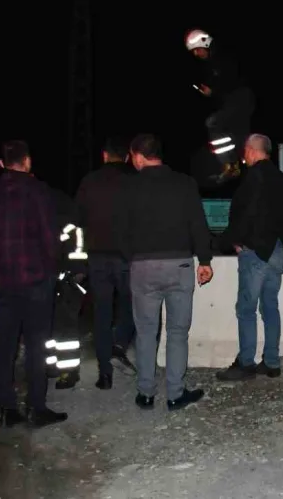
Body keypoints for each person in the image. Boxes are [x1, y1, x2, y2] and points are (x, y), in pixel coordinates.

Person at [0, 140, 68, 427]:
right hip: (36, 281)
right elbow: (51, 239)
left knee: (5, 344)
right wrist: (53, 268)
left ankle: (8, 410)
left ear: (2, 163)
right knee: (37, 345)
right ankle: (37, 407)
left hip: (1, 282)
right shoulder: (39, 192)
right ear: (27, 161)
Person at [114, 133, 214, 410]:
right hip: (179, 265)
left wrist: (132, 257)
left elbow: (119, 231)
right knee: (178, 332)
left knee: (145, 332)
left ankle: (145, 393)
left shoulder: (128, 187)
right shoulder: (184, 183)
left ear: (137, 155)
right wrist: (204, 260)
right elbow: (198, 225)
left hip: (143, 267)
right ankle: (175, 394)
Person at [215, 133, 283, 381]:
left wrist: (235, 242)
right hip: (278, 251)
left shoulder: (253, 178)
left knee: (246, 309)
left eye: (245, 152)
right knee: (270, 307)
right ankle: (271, 362)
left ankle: (246, 363)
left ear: (251, 151)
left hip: (256, 252)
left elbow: (245, 214)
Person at [75, 136, 138, 389]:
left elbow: (77, 219)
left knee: (101, 313)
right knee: (132, 305)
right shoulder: (134, 182)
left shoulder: (89, 182)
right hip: (127, 257)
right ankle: (119, 344)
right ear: (126, 157)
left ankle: (105, 373)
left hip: (98, 257)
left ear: (104, 155)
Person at [185, 29, 256, 187]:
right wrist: (210, 92)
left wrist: (213, 91)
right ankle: (238, 167)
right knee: (237, 135)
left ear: (205, 43)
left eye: (197, 50)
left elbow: (233, 81)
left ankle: (231, 165)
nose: (197, 54)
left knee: (213, 123)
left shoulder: (223, 57)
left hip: (242, 99)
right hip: (234, 102)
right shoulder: (212, 63)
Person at [45, 187, 87, 391]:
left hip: (65, 281)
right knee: (55, 328)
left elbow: (75, 253)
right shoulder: (68, 218)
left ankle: (69, 371)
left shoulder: (64, 223)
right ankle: (54, 367)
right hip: (62, 280)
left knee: (64, 328)